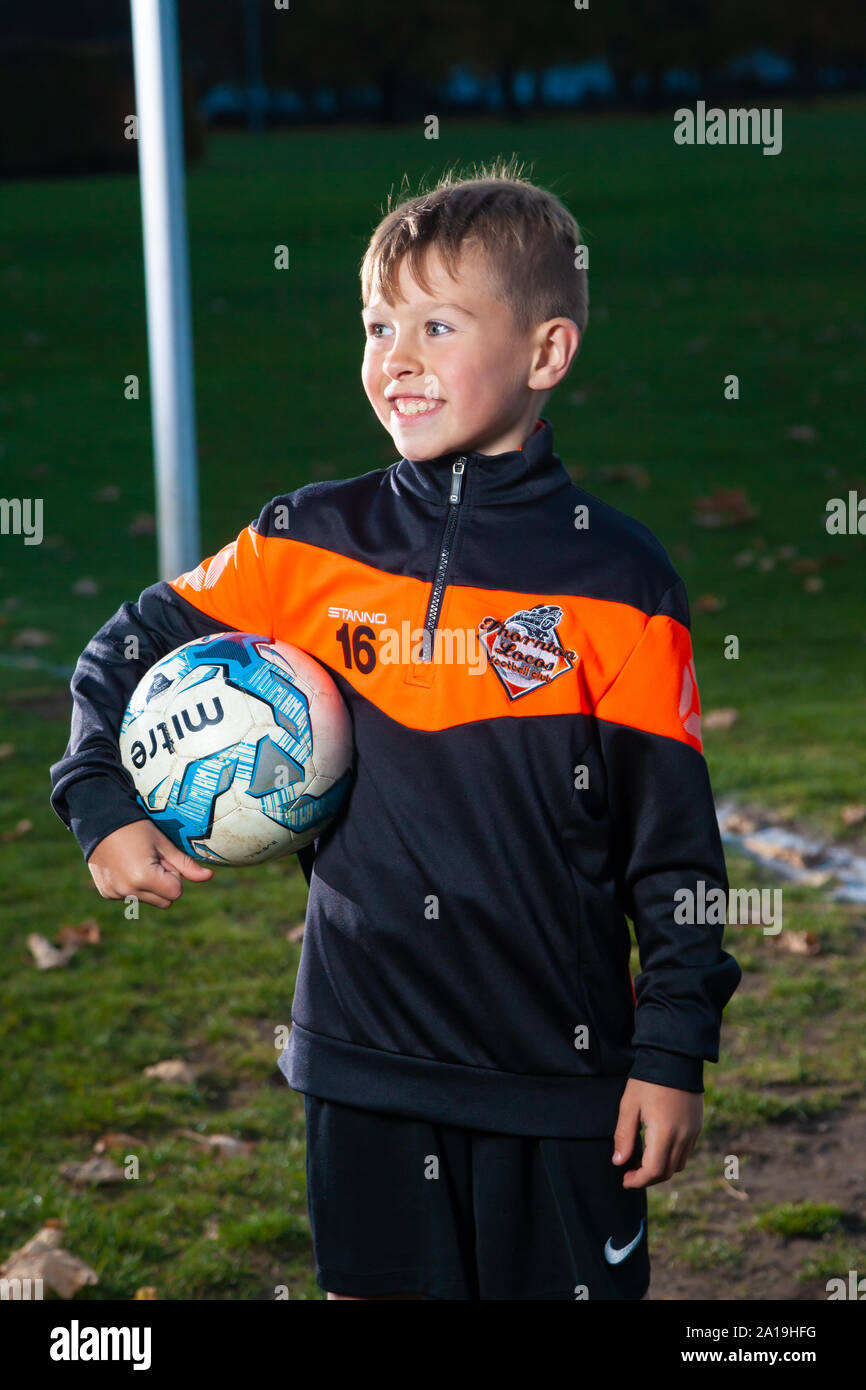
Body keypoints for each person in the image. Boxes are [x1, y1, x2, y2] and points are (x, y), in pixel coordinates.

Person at [50, 160, 741, 1301]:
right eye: (377, 325)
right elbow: (124, 646)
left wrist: (669, 1054)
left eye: (435, 323)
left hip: (555, 1078)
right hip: (361, 1059)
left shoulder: (616, 580)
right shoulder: (309, 542)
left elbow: (673, 853)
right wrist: (99, 800)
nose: (395, 358)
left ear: (545, 353)